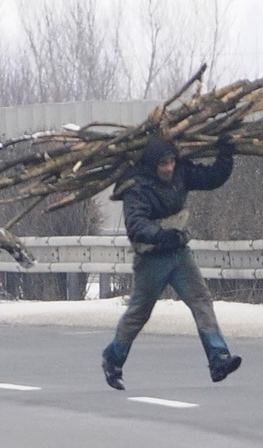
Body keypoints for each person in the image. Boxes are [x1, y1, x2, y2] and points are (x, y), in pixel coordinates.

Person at [101, 134, 242, 391]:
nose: (168, 168)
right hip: (151, 259)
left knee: (201, 301)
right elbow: (136, 224)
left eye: (171, 162)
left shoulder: (181, 172)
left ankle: (218, 358)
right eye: (163, 164)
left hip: (179, 253)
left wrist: (226, 155)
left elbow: (212, 178)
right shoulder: (137, 186)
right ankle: (113, 359)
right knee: (138, 314)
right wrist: (160, 234)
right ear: (153, 165)